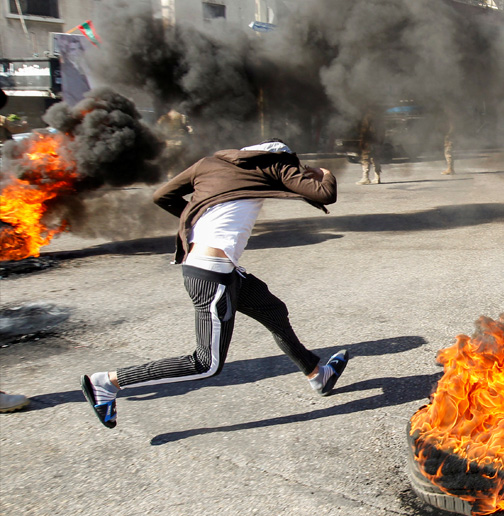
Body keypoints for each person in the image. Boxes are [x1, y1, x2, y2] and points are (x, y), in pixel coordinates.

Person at [80, 138, 349, 429]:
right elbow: (324, 193)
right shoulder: (273, 165)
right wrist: (323, 171)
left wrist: (195, 217)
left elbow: (162, 196)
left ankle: (317, 375)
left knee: (273, 310)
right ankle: (107, 383)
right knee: (205, 363)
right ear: (283, 158)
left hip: (218, 268)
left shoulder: (208, 164)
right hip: (210, 275)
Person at [356, 110, 381, 185]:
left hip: (368, 141)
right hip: (376, 141)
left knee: (365, 158)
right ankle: (377, 177)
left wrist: (362, 140)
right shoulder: (378, 118)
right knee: (375, 158)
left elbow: (365, 131)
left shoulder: (367, 117)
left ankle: (365, 178)